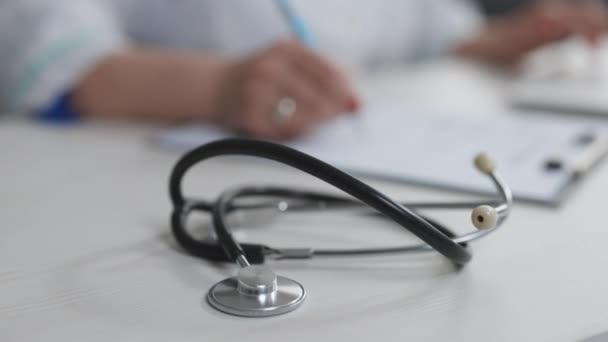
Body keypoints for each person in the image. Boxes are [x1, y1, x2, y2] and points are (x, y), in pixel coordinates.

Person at [0, 0, 606, 139]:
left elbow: (420, 27)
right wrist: (221, 86)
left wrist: (505, 38)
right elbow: (49, 54)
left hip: (346, 168)